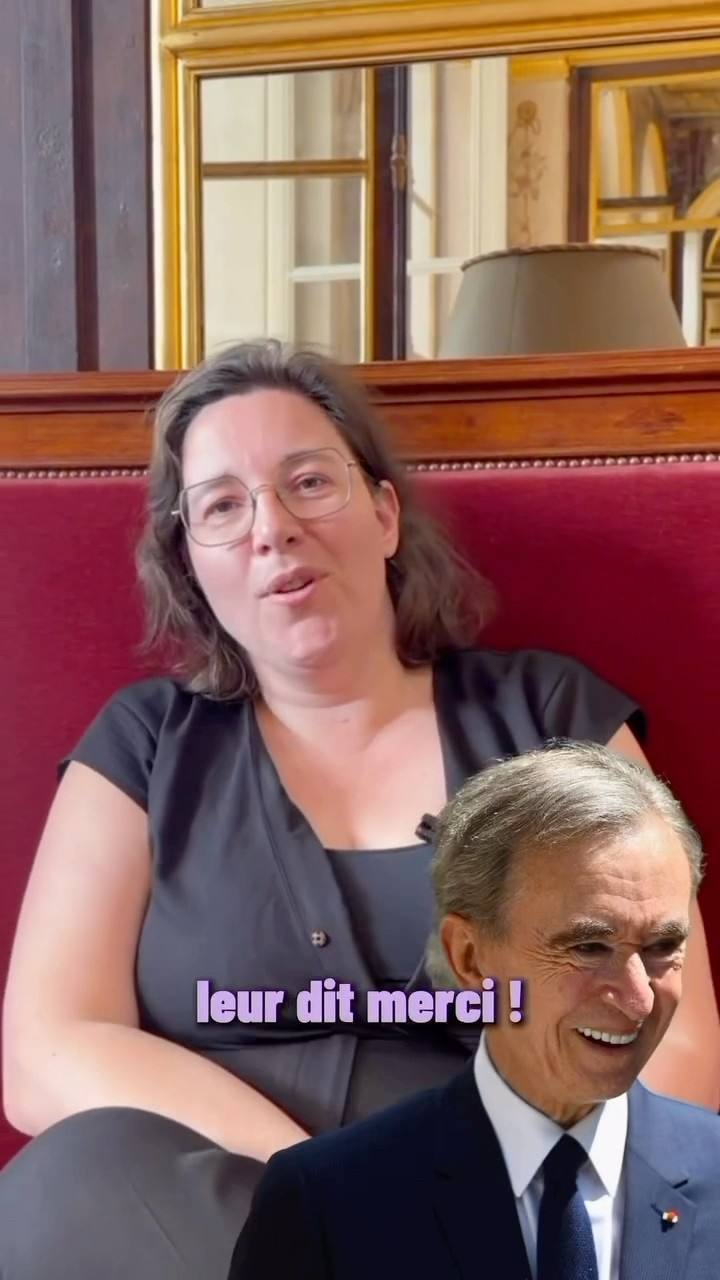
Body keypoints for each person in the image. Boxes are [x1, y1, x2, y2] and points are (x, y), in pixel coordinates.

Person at [0, 341, 717, 1279]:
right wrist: (318, 1182)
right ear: (191, 566)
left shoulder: (550, 721)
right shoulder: (144, 743)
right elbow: (47, 1051)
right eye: (222, 506)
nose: (272, 528)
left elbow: (674, 1039)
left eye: (308, 482)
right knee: (72, 1182)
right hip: (207, 1210)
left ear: (384, 514)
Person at [230, 742, 720, 1280]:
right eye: (588, 947)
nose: (639, 998)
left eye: (662, 947)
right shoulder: (326, 1204)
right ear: (470, 957)